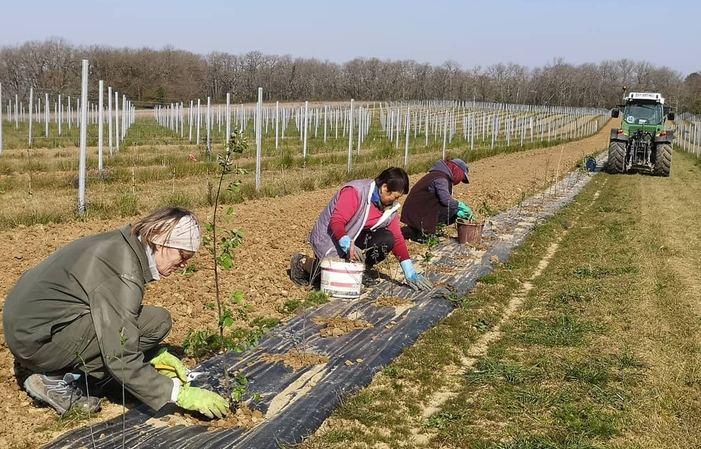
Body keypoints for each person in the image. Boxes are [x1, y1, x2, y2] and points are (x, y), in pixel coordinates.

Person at [2, 207, 229, 419]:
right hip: (36, 342)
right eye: (183, 256)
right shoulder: (123, 272)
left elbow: (121, 321)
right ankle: (53, 379)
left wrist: (152, 354)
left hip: (35, 324)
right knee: (119, 348)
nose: (183, 266)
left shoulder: (122, 245)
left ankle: (89, 374)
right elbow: (120, 355)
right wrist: (177, 394)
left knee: (158, 321)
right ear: (162, 242)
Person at [289, 167, 433, 291]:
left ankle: (357, 269)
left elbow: (397, 238)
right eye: (395, 197)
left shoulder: (389, 208)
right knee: (336, 278)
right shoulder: (356, 192)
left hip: (353, 237)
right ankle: (302, 263)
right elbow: (337, 221)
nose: (396, 201)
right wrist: (346, 242)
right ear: (384, 188)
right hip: (331, 237)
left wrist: (409, 271)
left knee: (386, 239)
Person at [400, 158, 474, 240]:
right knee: (451, 211)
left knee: (452, 210)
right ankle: (424, 233)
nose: (460, 181)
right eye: (461, 178)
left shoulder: (440, 175)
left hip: (417, 211)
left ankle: (419, 230)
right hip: (417, 212)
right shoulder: (441, 178)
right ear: (457, 171)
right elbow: (446, 200)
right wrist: (459, 206)